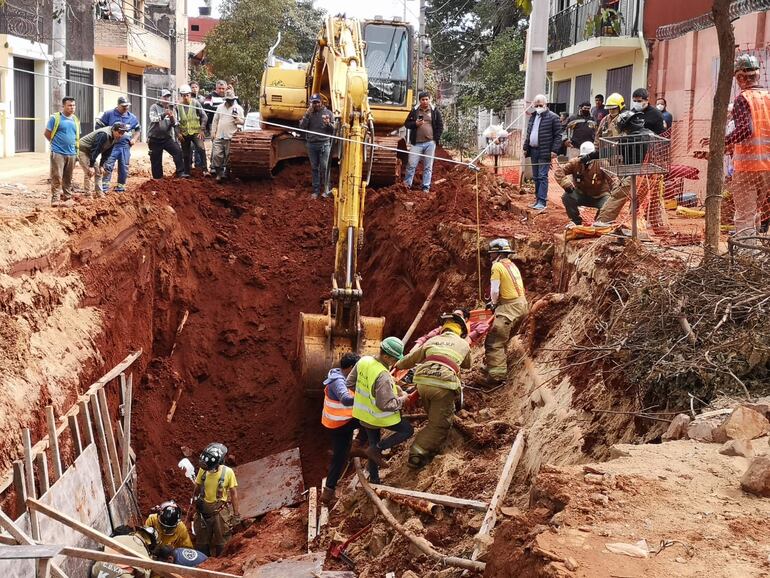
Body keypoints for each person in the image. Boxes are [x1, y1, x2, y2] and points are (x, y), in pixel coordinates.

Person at [395, 312, 472, 469]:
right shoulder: (463, 344)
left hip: (422, 382)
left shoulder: (433, 340)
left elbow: (410, 359)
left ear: (444, 328)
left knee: (433, 414)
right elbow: (467, 365)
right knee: (440, 425)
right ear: (461, 330)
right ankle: (417, 454)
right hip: (443, 384)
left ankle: (430, 439)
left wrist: (397, 365)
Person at [348, 337, 414, 483]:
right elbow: (385, 404)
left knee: (372, 449)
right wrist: (403, 399)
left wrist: (368, 396)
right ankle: (379, 447)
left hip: (363, 414)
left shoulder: (364, 361)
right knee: (407, 430)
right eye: (394, 358)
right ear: (385, 356)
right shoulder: (382, 375)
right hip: (377, 417)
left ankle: (375, 479)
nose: (395, 362)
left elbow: (350, 383)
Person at [723, 53, 770, 242]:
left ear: (740, 77)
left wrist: (724, 142)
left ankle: (746, 257)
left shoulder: (743, 99)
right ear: (757, 75)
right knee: (759, 212)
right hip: (767, 166)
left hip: (747, 167)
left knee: (744, 215)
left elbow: (745, 130)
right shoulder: (768, 96)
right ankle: (760, 254)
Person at [319, 352, 367, 505]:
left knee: (339, 458)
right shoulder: (338, 381)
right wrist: (367, 397)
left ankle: (328, 493)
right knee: (371, 419)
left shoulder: (341, 376)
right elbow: (346, 400)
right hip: (340, 424)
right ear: (352, 367)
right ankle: (358, 444)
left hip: (336, 423)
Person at [592, 110, 655, 223]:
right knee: (645, 202)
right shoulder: (650, 133)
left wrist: (589, 156)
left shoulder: (629, 139)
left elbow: (608, 151)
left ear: (627, 127)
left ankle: (601, 223)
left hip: (634, 176)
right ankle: (648, 226)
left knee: (617, 196)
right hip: (651, 176)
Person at [484, 239, 528, 383]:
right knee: (504, 339)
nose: (490, 257)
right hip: (522, 306)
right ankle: (496, 366)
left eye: (492, 254)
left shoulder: (497, 266)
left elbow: (495, 290)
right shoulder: (512, 265)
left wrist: (493, 303)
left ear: (498, 253)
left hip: (509, 309)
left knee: (494, 342)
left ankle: (497, 377)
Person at [187, 442, 240, 557]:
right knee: (202, 543)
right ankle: (203, 562)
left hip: (219, 513)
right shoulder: (204, 469)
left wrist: (236, 515)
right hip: (203, 512)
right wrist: (193, 504)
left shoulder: (228, 473)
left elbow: (234, 494)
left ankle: (220, 563)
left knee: (222, 543)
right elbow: (197, 487)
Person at [555, 141, 617, 225]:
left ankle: (599, 222)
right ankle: (575, 221)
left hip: (599, 196)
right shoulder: (575, 162)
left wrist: (616, 193)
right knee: (567, 197)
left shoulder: (602, 163)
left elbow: (613, 179)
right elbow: (559, 172)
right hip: (581, 194)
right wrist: (566, 185)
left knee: (609, 203)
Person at [522, 94, 562, 210]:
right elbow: (529, 134)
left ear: (546, 104)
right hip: (533, 150)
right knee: (535, 176)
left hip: (545, 151)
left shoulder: (553, 117)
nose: (538, 107)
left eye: (540, 105)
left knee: (542, 176)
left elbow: (558, 135)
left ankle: (542, 201)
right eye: (536, 105)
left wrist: (554, 150)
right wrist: (525, 148)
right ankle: (537, 200)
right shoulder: (533, 117)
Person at [98, 96, 141, 193]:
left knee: (123, 167)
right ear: (118, 105)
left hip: (125, 147)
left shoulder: (132, 117)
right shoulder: (109, 114)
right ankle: (104, 188)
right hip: (111, 146)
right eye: (123, 106)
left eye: (127, 106)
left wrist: (134, 139)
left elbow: (138, 129)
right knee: (108, 166)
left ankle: (120, 188)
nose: (126, 108)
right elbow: (99, 125)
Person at [403, 91, 444, 193]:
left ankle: (426, 187)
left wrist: (435, 139)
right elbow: (407, 124)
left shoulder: (435, 111)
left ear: (429, 100)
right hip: (416, 143)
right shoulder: (415, 111)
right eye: (423, 100)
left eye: (427, 99)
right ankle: (407, 185)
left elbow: (440, 126)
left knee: (428, 166)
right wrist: (415, 124)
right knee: (411, 165)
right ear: (419, 101)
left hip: (430, 143)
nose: (425, 101)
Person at [44, 96, 79, 207]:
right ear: (63, 106)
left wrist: (76, 152)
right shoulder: (55, 118)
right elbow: (47, 133)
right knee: (57, 176)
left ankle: (67, 197)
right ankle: (55, 199)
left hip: (72, 153)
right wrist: (55, 145)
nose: (72, 107)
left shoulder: (75, 120)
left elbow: (76, 136)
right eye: (69, 105)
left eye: (73, 105)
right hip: (58, 152)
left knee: (68, 177)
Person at [299, 93, 334, 199]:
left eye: (317, 102)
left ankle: (327, 190)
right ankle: (315, 191)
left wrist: (328, 124)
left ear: (321, 102)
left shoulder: (328, 113)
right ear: (311, 103)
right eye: (313, 103)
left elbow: (333, 130)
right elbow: (302, 127)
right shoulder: (308, 114)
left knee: (324, 167)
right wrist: (306, 116)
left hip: (324, 144)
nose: (315, 105)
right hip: (311, 145)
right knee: (314, 168)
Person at [77, 122, 125, 199]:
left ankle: (99, 192)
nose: (121, 135)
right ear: (113, 130)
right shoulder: (103, 135)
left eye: (123, 133)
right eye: (119, 132)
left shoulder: (115, 138)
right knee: (89, 172)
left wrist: (101, 165)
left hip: (91, 152)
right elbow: (95, 150)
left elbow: (107, 153)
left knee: (99, 172)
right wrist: (91, 166)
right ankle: (88, 194)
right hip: (83, 149)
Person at [148, 90, 187, 179]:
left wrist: (172, 118)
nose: (167, 99)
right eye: (165, 97)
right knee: (156, 159)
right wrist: (164, 114)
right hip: (154, 138)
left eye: (168, 97)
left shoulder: (172, 109)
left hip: (166, 138)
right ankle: (158, 179)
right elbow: (153, 119)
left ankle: (180, 172)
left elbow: (175, 124)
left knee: (177, 151)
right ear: (160, 98)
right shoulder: (154, 107)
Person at [210, 89, 245, 182]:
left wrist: (237, 119)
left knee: (229, 156)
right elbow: (215, 120)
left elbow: (242, 121)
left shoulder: (238, 108)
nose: (230, 101)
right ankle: (218, 174)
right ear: (226, 99)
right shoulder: (220, 107)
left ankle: (226, 173)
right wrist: (213, 132)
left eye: (232, 100)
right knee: (216, 155)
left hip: (230, 136)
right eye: (229, 100)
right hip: (219, 135)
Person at [177, 84, 208, 175]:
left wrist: (202, 130)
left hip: (196, 132)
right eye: (184, 95)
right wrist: (178, 133)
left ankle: (205, 170)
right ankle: (187, 172)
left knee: (201, 148)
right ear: (181, 96)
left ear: (190, 94)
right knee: (186, 153)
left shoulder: (195, 103)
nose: (186, 97)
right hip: (184, 133)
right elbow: (175, 122)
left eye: (187, 95)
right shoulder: (178, 106)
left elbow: (204, 116)